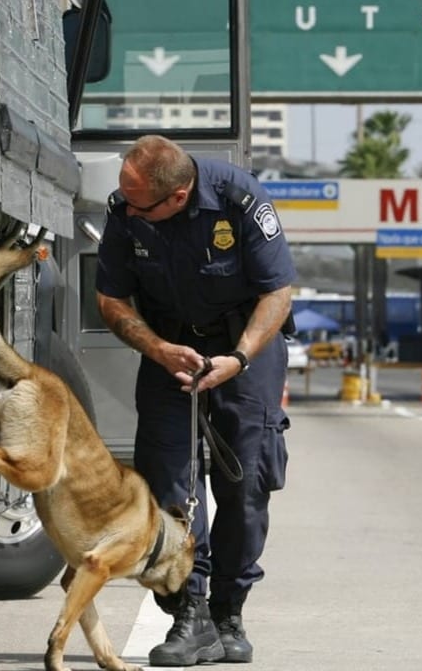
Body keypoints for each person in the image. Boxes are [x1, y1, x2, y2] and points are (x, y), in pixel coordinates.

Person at [95, 134, 296, 665]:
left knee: (246, 482)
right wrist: (158, 348)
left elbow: (278, 291)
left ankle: (229, 611)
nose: (125, 208)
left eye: (138, 203)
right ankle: (191, 612)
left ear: (177, 197)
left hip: (243, 348)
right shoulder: (127, 209)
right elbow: (111, 297)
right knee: (164, 482)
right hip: (169, 352)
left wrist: (241, 358)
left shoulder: (241, 200)